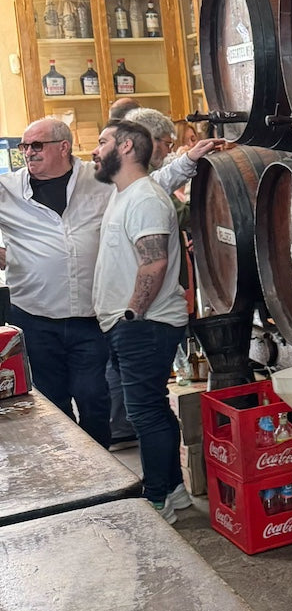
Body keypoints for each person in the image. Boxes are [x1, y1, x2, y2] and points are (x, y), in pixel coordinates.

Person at [91, 120, 191, 524]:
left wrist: (132, 313)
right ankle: (174, 488)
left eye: (103, 142)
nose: (95, 151)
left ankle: (156, 498)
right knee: (153, 408)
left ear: (127, 147)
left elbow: (154, 260)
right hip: (134, 324)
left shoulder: (145, 198)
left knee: (144, 413)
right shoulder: (125, 194)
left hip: (143, 325)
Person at [0, 117, 112, 445]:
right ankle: (69, 472)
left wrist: (189, 162)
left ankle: (103, 473)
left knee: (93, 397)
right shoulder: (8, 190)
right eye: (24, 146)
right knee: (51, 403)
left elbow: (149, 185)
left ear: (63, 147)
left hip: (91, 317)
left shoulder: (98, 180)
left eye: (37, 145)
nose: (28, 153)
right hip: (34, 316)